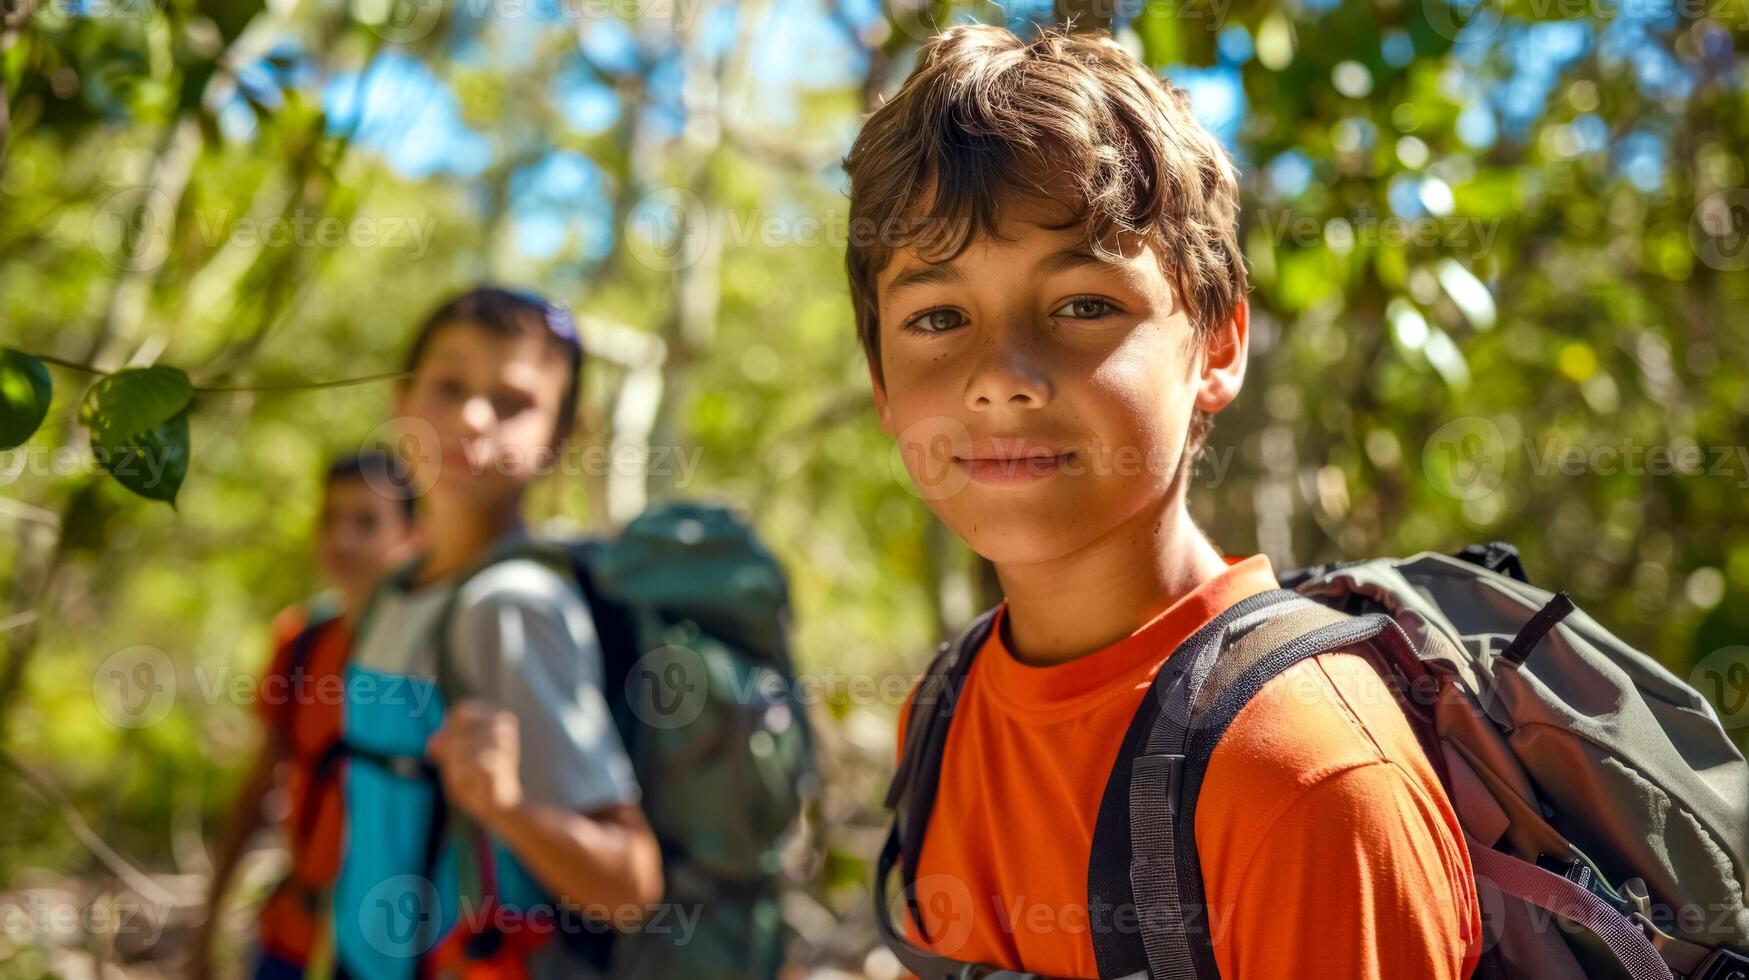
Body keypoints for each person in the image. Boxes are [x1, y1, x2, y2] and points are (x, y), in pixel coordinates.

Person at [845, 25, 1483, 979]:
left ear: (1217, 346)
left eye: (1083, 306)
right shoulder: (943, 713)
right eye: (937, 318)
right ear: (882, 384)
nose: (999, 379)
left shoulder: (1303, 777)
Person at [328, 287, 663, 980]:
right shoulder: (396, 590)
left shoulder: (512, 607)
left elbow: (630, 884)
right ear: (401, 404)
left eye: (513, 402)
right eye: (448, 385)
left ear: (564, 439)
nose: (471, 416)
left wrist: (506, 808)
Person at [193, 451, 419, 980]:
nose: (342, 540)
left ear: (413, 535)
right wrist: (208, 923)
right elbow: (257, 789)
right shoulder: (300, 642)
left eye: (366, 522)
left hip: (395, 950)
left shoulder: (435, 655)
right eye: (329, 519)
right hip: (291, 937)